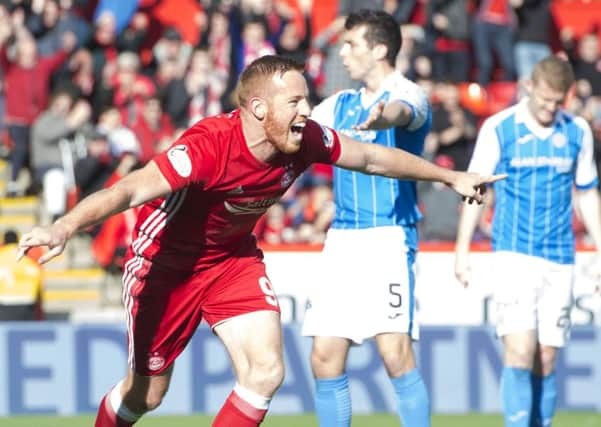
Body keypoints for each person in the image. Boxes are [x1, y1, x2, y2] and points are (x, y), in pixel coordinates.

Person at [17, 55, 503, 427]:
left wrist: (448, 175)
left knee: (267, 372)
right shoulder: (207, 147)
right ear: (258, 107)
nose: (307, 112)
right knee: (146, 395)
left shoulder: (305, 138)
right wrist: (63, 227)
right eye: (296, 102)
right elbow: (127, 189)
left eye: (306, 100)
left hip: (231, 261)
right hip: (165, 264)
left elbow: (372, 158)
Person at [301, 10, 433, 427]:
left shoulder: (409, 94)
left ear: (379, 49)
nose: (342, 53)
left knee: (395, 353)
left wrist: (384, 116)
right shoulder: (339, 104)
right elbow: (297, 132)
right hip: (342, 239)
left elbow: (403, 112)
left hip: (389, 238)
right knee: (324, 357)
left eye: (351, 44)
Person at [454, 56, 601, 427]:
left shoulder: (577, 131)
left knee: (547, 356)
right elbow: (476, 188)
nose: (551, 109)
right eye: (545, 100)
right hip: (513, 253)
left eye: (558, 102)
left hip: (559, 257)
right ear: (529, 87)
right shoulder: (499, 128)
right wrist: (462, 250)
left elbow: (586, 194)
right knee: (519, 350)